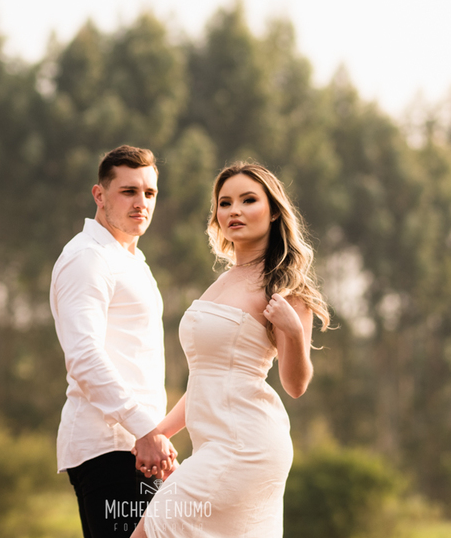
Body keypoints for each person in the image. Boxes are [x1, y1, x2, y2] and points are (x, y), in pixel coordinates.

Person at [134, 161, 330, 538]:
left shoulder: (284, 287)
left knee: (149, 531)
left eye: (248, 200)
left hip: (246, 445)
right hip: (212, 444)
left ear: (274, 212)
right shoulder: (223, 281)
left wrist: (292, 331)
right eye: (225, 203)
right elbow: (207, 381)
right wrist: (158, 433)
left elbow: (296, 385)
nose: (234, 210)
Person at [51, 145, 178, 538]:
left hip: (137, 447)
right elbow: (84, 356)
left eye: (149, 193)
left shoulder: (132, 261)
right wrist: (146, 430)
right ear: (99, 195)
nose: (141, 202)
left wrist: (156, 434)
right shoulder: (88, 258)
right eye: (128, 191)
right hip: (110, 448)